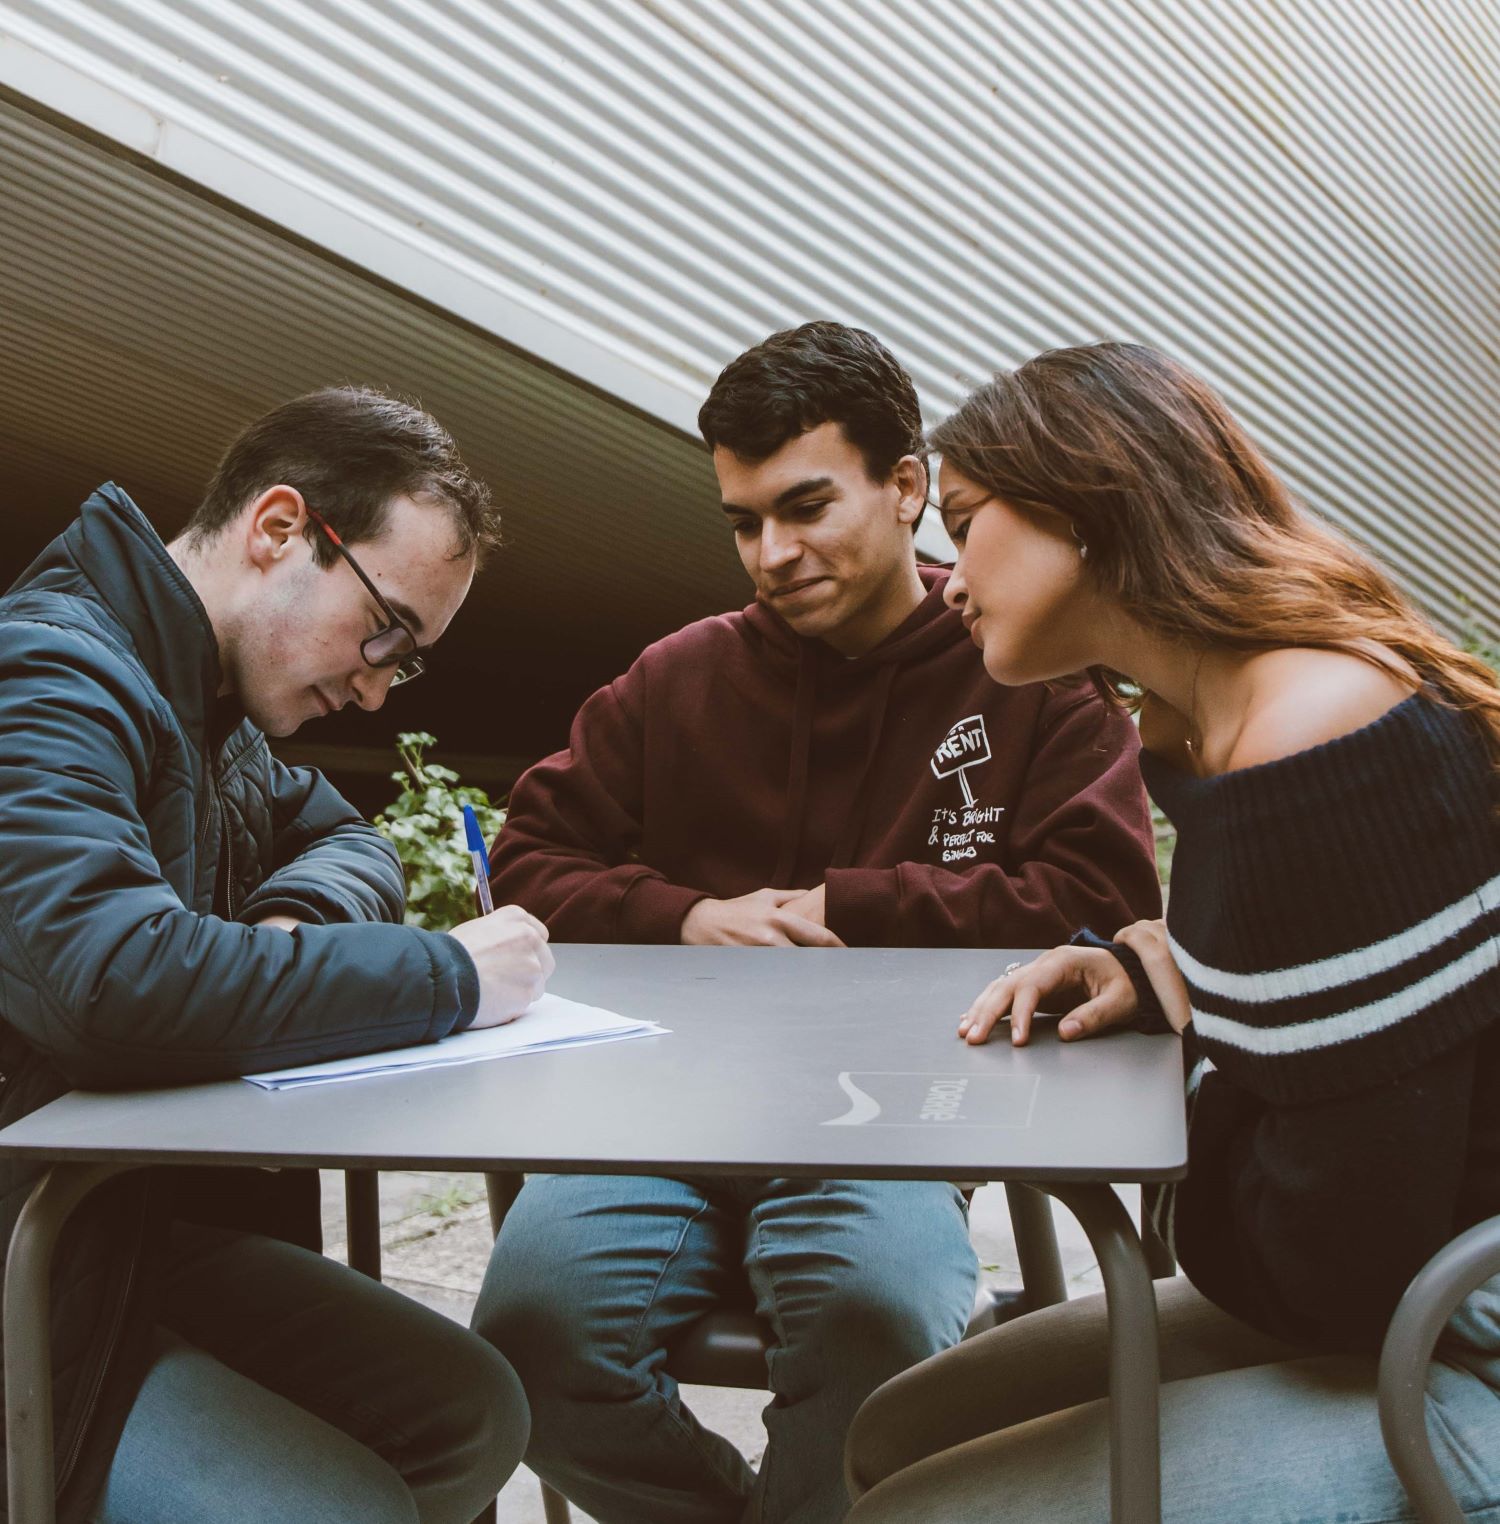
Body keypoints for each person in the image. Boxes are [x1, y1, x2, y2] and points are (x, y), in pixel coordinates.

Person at [473, 322, 1162, 1524]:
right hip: (664, 1100)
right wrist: (686, 916)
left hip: (899, 1107)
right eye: (744, 522)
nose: (773, 555)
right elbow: (526, 862)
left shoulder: (1028, 662)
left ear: (907, 489)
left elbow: (1104, 906)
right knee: (527, 1339)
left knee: (872, 1321)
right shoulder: (677, 676)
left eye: (804, 508)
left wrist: (862, 901)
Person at [842, 341, 1500, 1522]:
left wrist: (1199, 1060)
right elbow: (1333, 1026)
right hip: (1395, 1290)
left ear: (1086, 511)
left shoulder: (1318, 735)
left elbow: (1331, 1268)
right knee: (888, 1435)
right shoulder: (1209, 721)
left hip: (1452, 1336)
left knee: (908, 1512)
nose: (949, 580)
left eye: (969, 522)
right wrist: (1158, 974)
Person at [0, 387, 555, 1524]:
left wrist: (288, 925)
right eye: (385, 631)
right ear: (280, 528)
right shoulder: (50, 676)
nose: (376, 687)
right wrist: (451, 979)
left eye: (407, 662)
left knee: (474, 1412)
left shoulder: (213, 711)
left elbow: (348, 839)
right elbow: (108, 981)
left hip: (115, 1234)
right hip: (28, 1263)